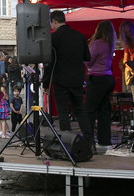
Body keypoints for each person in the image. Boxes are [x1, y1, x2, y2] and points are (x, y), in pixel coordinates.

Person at [43, 11, 90, 133]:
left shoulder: (54, 38)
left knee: (63, 112)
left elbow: (49, 63)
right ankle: (90, 142)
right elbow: (87, 57)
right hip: (77, 79)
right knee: (80, 111)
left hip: (60, 80)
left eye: (51, 23)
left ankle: (67, 143)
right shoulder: (79, 36)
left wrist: (45, 83)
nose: (51, 26)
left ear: (54, 21)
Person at [85, 20, 117, 149]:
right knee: (104, 111)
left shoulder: (97, 43)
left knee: (89, 111)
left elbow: (89, 61)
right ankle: (104, 140)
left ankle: (88, 140)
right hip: (108, 78)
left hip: (97, 78)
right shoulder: (109, 43)